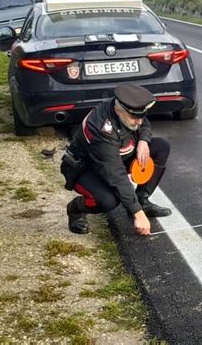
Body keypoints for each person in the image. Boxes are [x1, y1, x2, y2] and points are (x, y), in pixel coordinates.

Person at [61, 84, 172, 236]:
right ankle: (75, 210)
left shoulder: (126, 109)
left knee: (161, 147)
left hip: (117, 156)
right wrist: (137, 214)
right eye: (134, 117)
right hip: (86, 168)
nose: (138, 121)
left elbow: (143, 122)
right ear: (118, 109)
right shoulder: (100, 128)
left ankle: (142, 201)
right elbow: (116, 175)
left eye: (141, 115)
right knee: (108, 200)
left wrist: (143, 141)